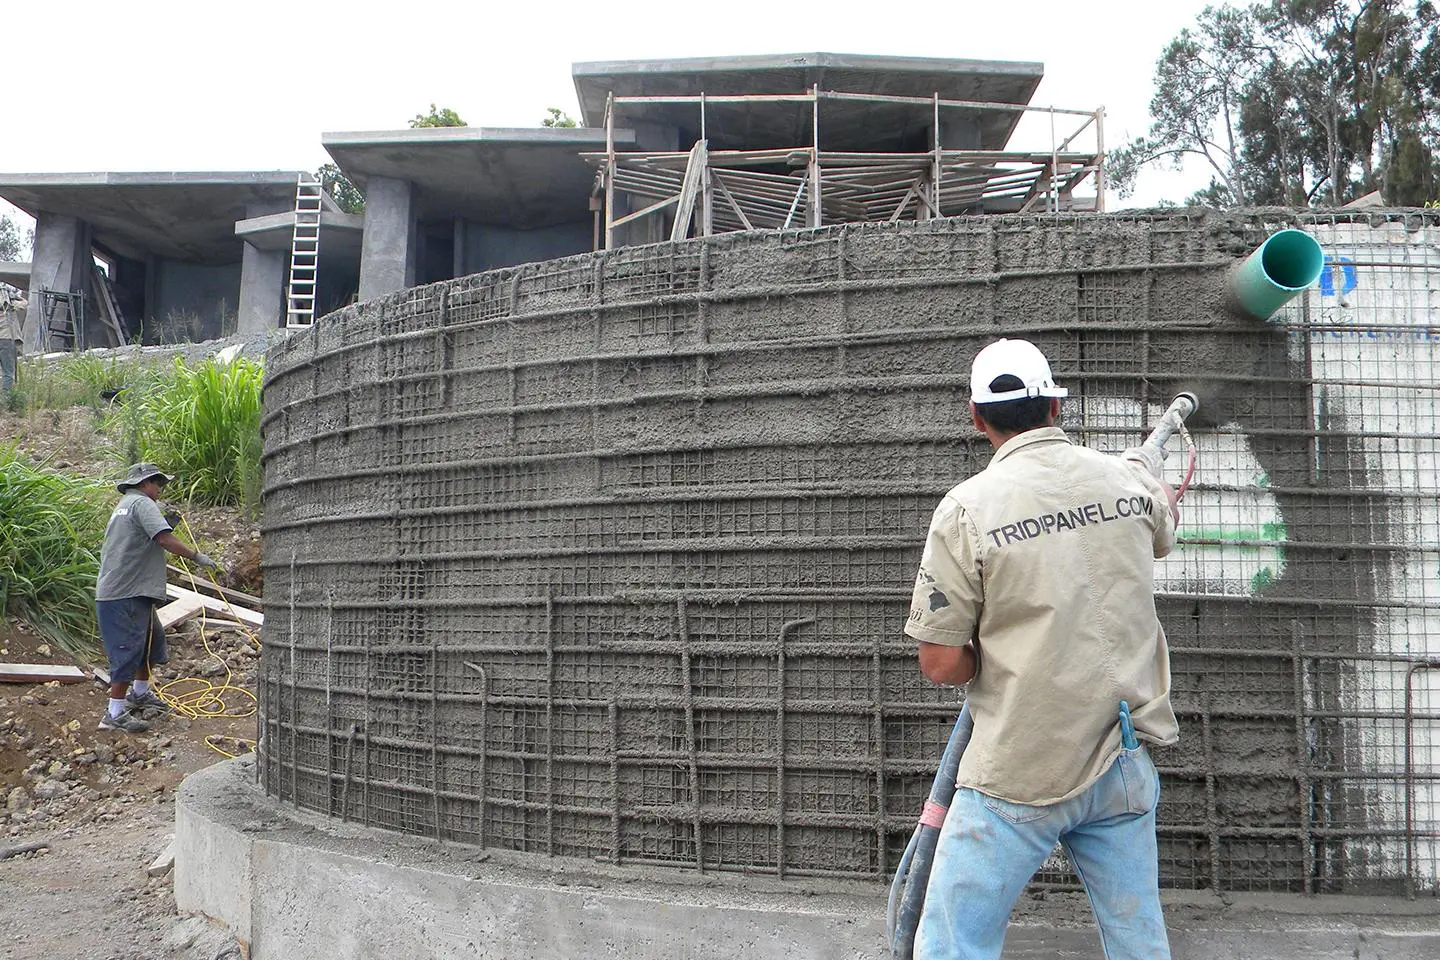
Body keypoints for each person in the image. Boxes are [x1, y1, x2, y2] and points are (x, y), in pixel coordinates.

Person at [906, 338, 1181, 960]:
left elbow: (941, 663)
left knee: (952, 942)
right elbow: (1160, 528)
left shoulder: (966, 510)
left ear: (976, 417)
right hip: (1122, 762)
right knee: (1138, 939)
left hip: (1020, 773)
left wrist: (1001, 653)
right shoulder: (1126, 481)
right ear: (1056, 406)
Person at [95, 463, 221, 733]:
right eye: (158, 483)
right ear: (145, 483)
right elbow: (163, 539)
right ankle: (113, 713)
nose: (161, 489)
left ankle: (139, 693)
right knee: (128, 650)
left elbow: (142, 539)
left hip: (128, 590)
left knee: (152, 643)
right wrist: (196, 556)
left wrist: (165, 525)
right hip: (125, 592)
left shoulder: (125, 505)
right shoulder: (142, 503)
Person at [0, 291, 26, 398]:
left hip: (5, 339)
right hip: (6, 339)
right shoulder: (11, 307)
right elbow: (25, 303)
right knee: (8, 372)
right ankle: (6, 399)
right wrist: (15, 297)